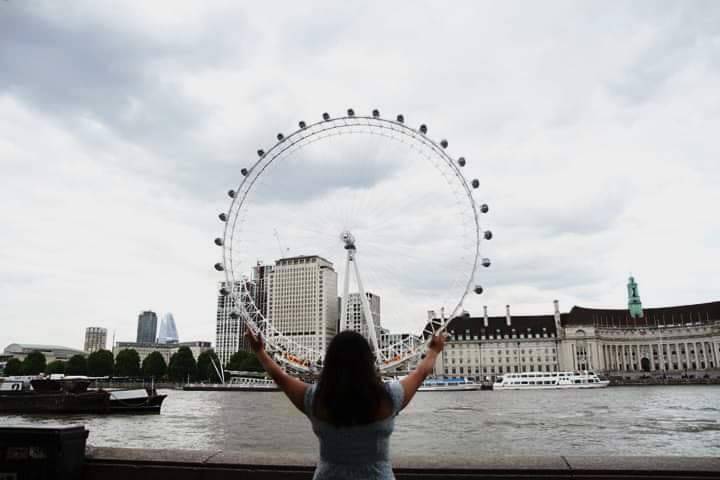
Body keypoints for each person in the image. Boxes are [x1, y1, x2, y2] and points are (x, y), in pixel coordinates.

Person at [245, 328, 447, 479]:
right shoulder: (389, 397)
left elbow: (279, 376)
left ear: (330, 361)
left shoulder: (314, 399)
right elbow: (421, 372)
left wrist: (260, 351)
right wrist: (434, 350)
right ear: (369, 360)